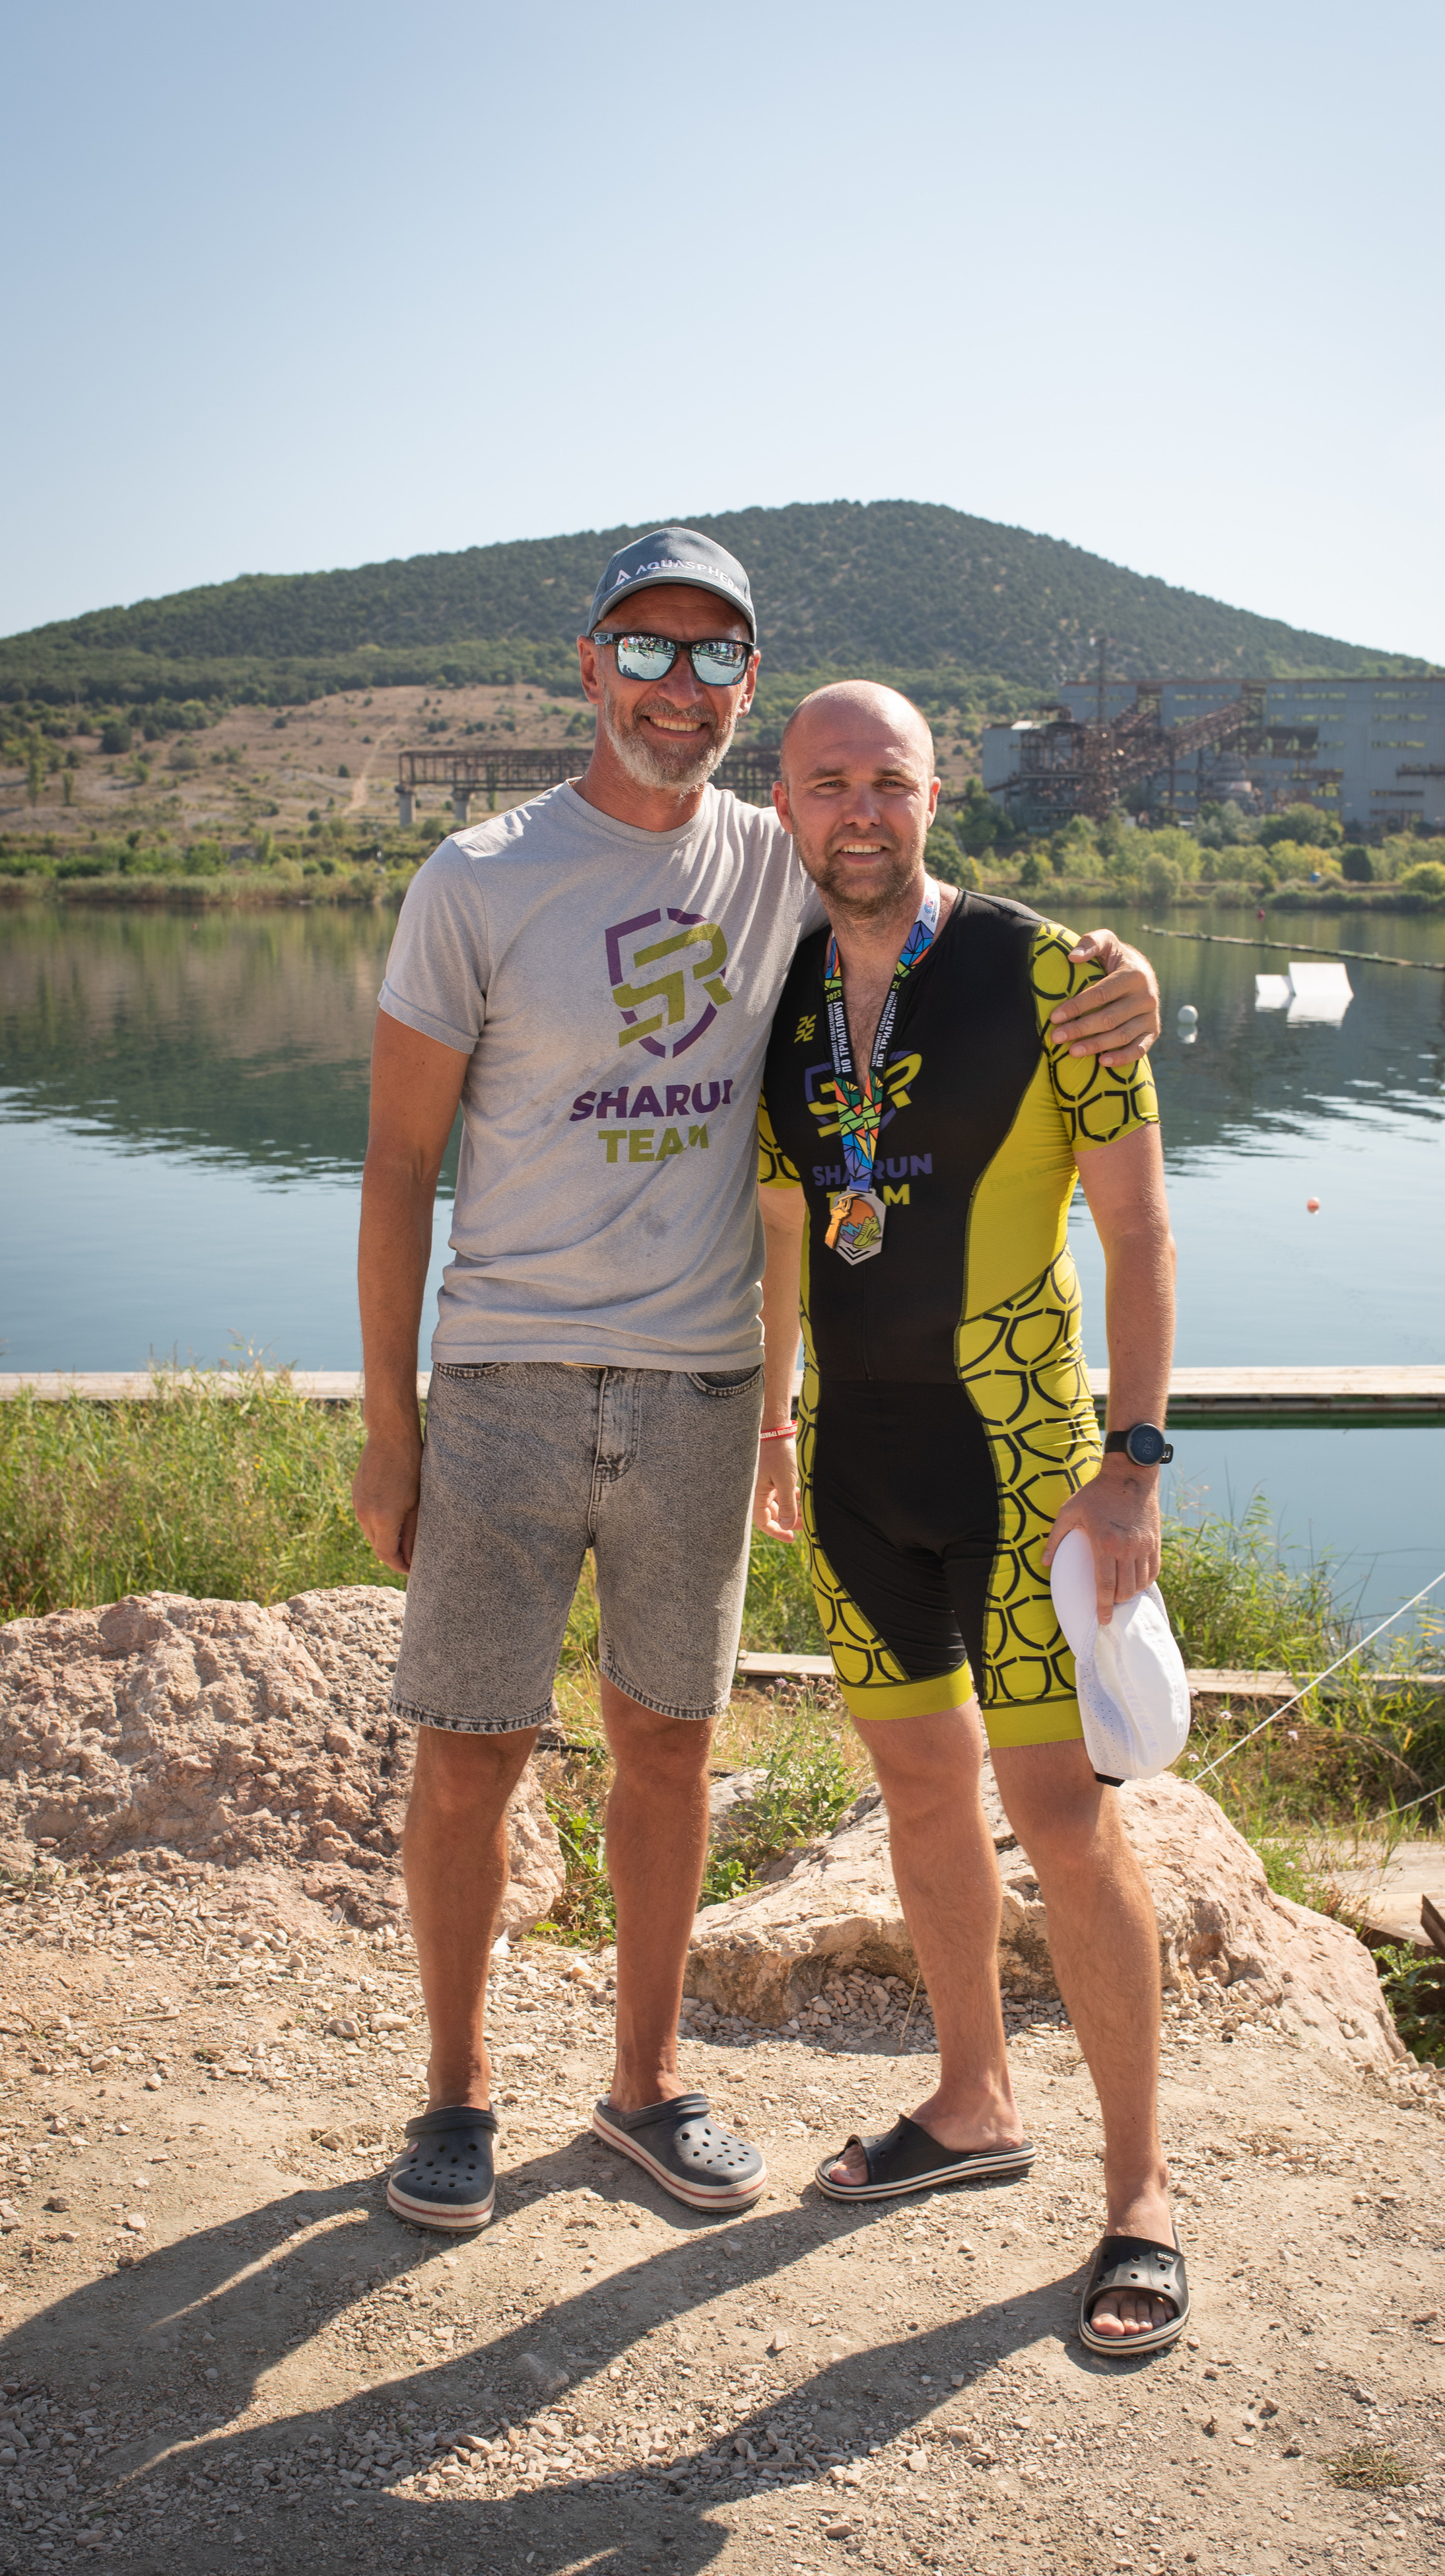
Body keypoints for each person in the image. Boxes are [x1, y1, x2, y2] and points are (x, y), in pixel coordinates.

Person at [351, 526, 1163, 2237]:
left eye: (714, 657)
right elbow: (395, 1167)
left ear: (751, 694)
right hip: (501, 1375)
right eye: (644, 650)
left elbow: (927, 910)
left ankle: (646, 2089)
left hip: (707, 1389)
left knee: (669, 1742)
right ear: (588, 666)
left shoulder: (780, 858)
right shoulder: (476, 877)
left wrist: (1130, 974)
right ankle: (454, 2097)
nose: (677, 685)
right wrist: (390, 1418)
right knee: (468, 1754)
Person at [755, 680, 1186, 2354]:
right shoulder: (772, 991)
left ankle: (1137, 2193)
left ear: (935, 793)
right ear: (784, 804)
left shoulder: (1058, 978)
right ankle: (967, 2097)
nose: (857, 812)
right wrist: (780, 1416)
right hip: (856, 1472)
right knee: (918, 1788)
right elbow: (786, 1225)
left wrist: (1133, 1463)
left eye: (888, 782)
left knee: (1060, 1817)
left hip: (1027, 1470)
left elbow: (1139, 1235)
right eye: (826, 785)